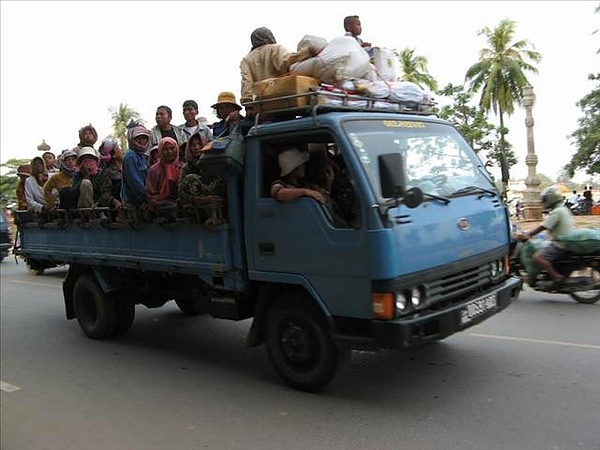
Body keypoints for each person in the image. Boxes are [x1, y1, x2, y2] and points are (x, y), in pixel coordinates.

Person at [515, 186, 578, 287]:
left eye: (545, 199)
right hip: (564, 240)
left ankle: (557, 277)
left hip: (560, 243)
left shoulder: (556, 212)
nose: (544, 201)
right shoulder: (562, 209)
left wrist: (527, 235)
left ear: (551, 199)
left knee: (538, 257)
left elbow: (542, 227)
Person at [271, 147, 348, 227]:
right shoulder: (282, 183)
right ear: (295, 169)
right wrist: (305, 192)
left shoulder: (306, 184)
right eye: (302, 166)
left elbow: (323, 194)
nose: (305, 168)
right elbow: (279, 193)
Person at [239, 27, 291, 108]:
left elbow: (247, 83)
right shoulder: (276, 48)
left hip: (261, 105)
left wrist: (248, 105)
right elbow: (287, 68)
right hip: (282, 99)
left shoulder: (246, 59)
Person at [146, 137, 183, 209]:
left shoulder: (182, 167)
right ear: (160, 151)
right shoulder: (154, 170)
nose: (169, 152)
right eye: (165, 149)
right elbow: (150, 193)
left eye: (172, 148)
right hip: (161, 206)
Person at [121, 124, 151, 209]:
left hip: (144, 199)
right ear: (132, 139)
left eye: (144, 138)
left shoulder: (143, 157)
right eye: (138, 138)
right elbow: (135, 183)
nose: (142, 141)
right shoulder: (130, 156)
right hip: (134, 203)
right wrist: (148, 198)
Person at [96, 138, 124, 210]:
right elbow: (104, 194)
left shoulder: (126, 167)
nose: (122, 150)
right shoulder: (107, 172)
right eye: (118, 148)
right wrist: (114, 201)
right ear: (113, 155)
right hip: (116, 208)